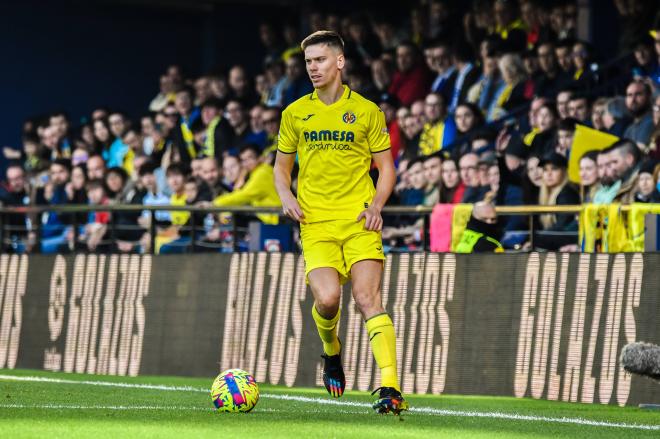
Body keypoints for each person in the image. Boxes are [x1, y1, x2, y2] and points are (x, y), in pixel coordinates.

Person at [273, 30, 407, 414]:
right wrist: (286, 196)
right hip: (316, 224)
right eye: (308, 62)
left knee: (367, 298)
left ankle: (390, 387)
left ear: (339, 62)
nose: (312, 67)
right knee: (329, 299)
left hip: (358, 221)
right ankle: (332, 350)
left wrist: (377, 204)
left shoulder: (366, 111)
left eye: (319, 60)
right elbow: (281, 170)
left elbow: (386, 168)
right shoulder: (294, 113)